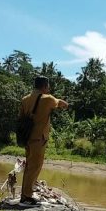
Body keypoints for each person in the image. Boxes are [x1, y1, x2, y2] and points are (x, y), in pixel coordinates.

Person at [19, 76, 68, 204]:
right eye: (48, 86)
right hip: (39, 137)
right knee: (34, 166)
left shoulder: (25, 99)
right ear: (45, 86)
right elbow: (61, 104)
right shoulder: (48, 99)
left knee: (29, 165)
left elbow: (21, 117)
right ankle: (27, 195)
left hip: (27, 137)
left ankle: (25, 192)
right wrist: (64, 103)